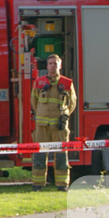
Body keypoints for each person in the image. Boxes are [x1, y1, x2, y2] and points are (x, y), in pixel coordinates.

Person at [30, 53, 77, 191]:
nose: (52, 66)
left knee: (61, 155)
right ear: (47, 65)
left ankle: (62, 185)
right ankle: (38, 184)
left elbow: (72, 103)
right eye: (50, 63)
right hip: (42, 126)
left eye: (55, 63)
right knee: (39, 154)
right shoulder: (39, 82)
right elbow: (34, 101)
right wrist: (40, 115)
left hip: (59, 125)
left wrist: (65, 116)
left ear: (60, 66)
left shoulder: (67, 83)